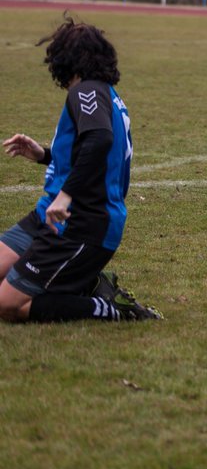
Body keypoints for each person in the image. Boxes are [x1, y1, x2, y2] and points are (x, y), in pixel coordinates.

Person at [0, 16, 161, 323]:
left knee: (7, 305)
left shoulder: (86, 90)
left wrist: (65, 196)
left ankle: (112, 308)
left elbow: (100, 140)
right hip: (48, 215)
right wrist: (44, 155)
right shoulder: (103, 94)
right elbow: (96, 155)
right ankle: (88, 283)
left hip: (81, 225)